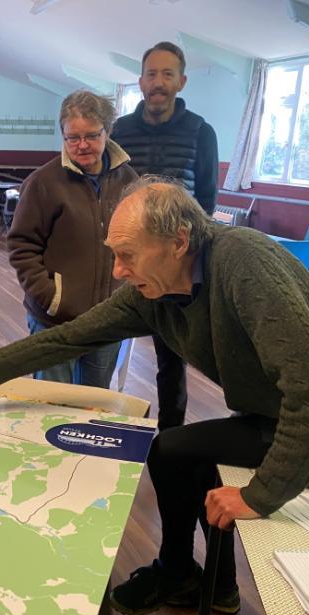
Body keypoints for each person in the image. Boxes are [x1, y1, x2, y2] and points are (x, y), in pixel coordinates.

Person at [0, 177, 309, 615]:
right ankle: (208, 585)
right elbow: (68, 337)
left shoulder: (243, 260)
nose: (116, 271)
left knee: (176, 452)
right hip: (278, 412)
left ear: (178, 242)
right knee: (184, 455)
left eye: (127, 255)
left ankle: (189, 574)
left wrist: (261, 495)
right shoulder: (154, 290)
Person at [111, 41, 219, 431]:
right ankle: (97, 420)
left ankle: (169, 438)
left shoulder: (200, 132)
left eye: (167, 74)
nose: (158, 82)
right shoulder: (119, 130)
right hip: (128, 255)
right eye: (152, 74)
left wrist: (190, 256)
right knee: (104, 337)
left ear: (181, 81)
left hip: (177, 262)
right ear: (140, 81)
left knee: (172, 356)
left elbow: (207, 197)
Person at [7, 90, 137, 388]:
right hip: (55, 322)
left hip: (108, 320)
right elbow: (21, 246)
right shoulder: (42, 183)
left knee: (94, 407)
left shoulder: (128, 180)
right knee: (49, 407)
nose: (81, 146)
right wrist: (50, 297)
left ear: (108, 132)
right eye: (71, 138)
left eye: (91, 136)